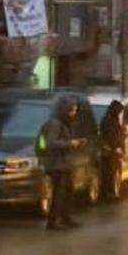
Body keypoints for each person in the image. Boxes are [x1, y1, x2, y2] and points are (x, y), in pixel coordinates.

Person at [37, 98, 85, 231]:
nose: (74, 113)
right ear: (65, 110)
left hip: (64, 164)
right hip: (55, 164)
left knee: (68, 192)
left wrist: (76, 143)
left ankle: (65, 218)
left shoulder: (65, 124)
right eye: (72, 110)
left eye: (75, 110)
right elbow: (51, 143)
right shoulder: (55, 124)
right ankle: (52, 222)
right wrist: (70, 143)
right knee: (59, 193)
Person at [100, 100, 125, 200]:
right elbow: (110, 136)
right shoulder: (109, 121)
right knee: (110, 172)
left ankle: (112, 192)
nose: (119, 113)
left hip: (113, 151)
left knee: (113, 172)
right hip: (110, 152)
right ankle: (110, 193)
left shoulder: (113, 119)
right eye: (119, 111)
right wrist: (116, 147)